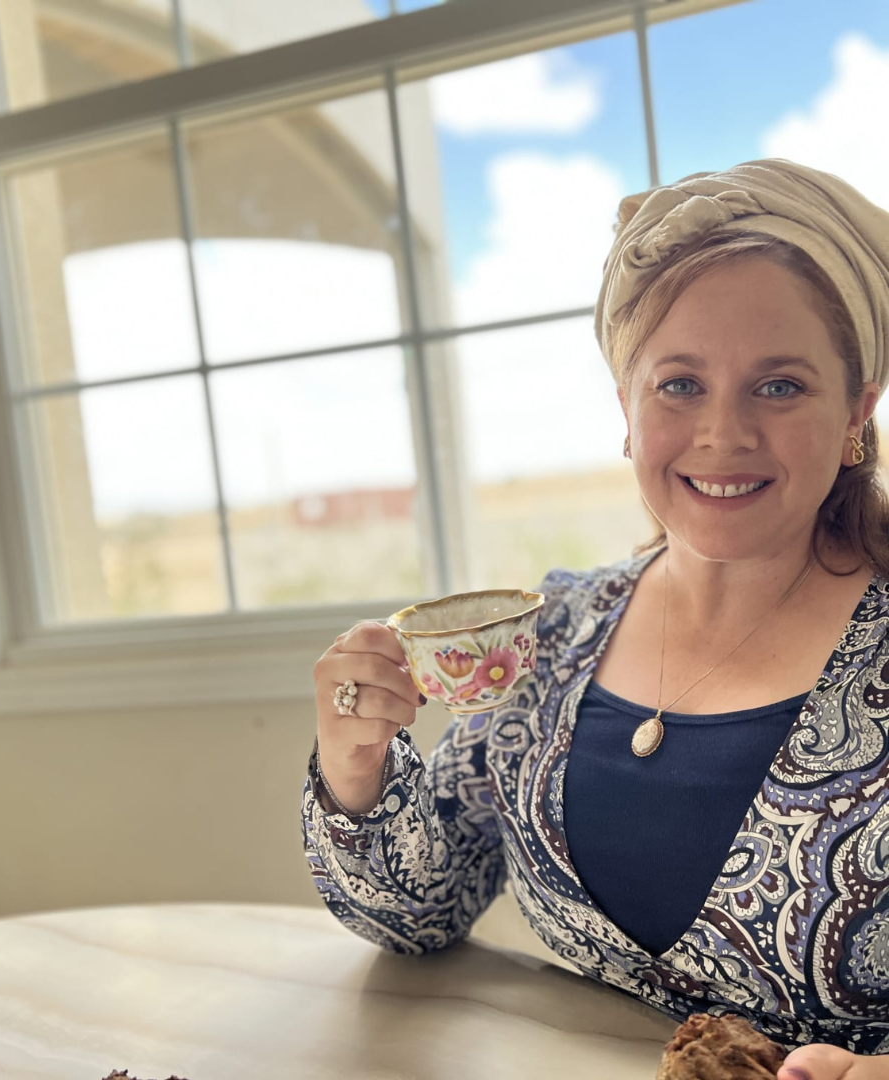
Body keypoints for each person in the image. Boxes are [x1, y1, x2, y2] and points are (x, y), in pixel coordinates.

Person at [301, 159, 889, 1078]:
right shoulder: (552, 637)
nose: (723, 434)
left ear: (858, 409)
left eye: (779, 386)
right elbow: (416, 913)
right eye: (679, 384)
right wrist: (354, 764)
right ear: (626, 405)